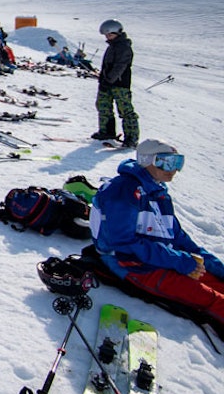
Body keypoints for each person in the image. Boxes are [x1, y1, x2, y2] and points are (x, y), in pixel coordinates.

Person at [90, 140, 224, 337]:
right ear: (146, 160)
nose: (173, 170)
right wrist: (178, 260)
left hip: (161, 260)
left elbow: (178, 238)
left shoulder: (158, 193)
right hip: (133, 265)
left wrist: (215, 266)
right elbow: (123, 243)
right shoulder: (122, 190)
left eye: (178, 163)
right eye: (166, 163)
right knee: (214, 300)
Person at [95, 19, 138, 148]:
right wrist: (102, 79)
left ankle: (131, 137)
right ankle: (106, 132)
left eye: (110, 34)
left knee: (125, 110)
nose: (108, 37)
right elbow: (107, 66)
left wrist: (109, 80)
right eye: (106, 35)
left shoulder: (124, 47)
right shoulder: (112, 46)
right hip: (107, 82)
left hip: (120, 84)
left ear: (117, 33)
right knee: (103, 106)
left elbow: (120, 66)